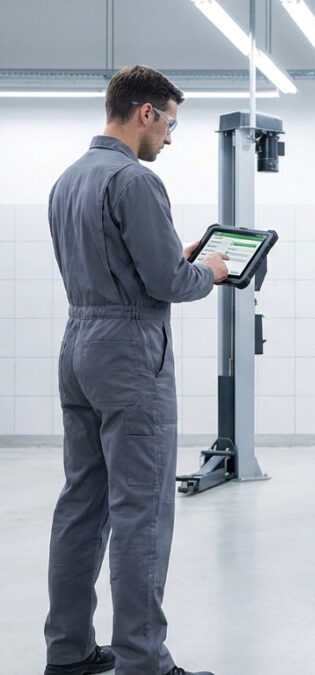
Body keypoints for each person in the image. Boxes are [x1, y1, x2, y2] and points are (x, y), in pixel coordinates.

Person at [44, 65, 228, 675]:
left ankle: (68, 651)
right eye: (170, 123)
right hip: (128, 351)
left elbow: (121, 262)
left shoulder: (69, 179)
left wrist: (176, 257)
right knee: (141, 509)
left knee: (81, 503)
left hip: (79, 343)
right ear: (145, 112)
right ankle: (143, 661)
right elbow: (168, 282)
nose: (170, 138)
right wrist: (211, 272)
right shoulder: (135, 180)